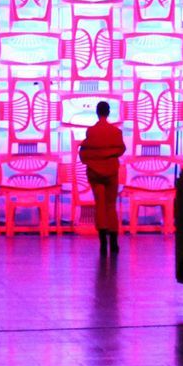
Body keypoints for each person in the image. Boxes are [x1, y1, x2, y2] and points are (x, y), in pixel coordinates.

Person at [79, 101, 126, 256]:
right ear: (108, 112)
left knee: (100, 204)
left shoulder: (91, 131)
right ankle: (114, 242)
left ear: (97, 112)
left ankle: (102, 242)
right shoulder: (115, 132)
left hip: (95, 172)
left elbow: (84, 151)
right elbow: (120, 149)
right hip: (111, 171)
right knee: (110, 205)